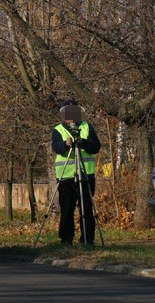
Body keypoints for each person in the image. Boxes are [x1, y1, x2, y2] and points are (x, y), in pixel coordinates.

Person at [51, 99, 101, 245]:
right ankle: (66, 239)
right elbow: (57, 148)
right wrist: (66, 144)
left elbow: (96, 147)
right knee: (67, 209)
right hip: (66, 176)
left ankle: (87, 239)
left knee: (86, 209)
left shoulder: (87, 127)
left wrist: (83, 143)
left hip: (86, 175)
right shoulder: (58, 130)